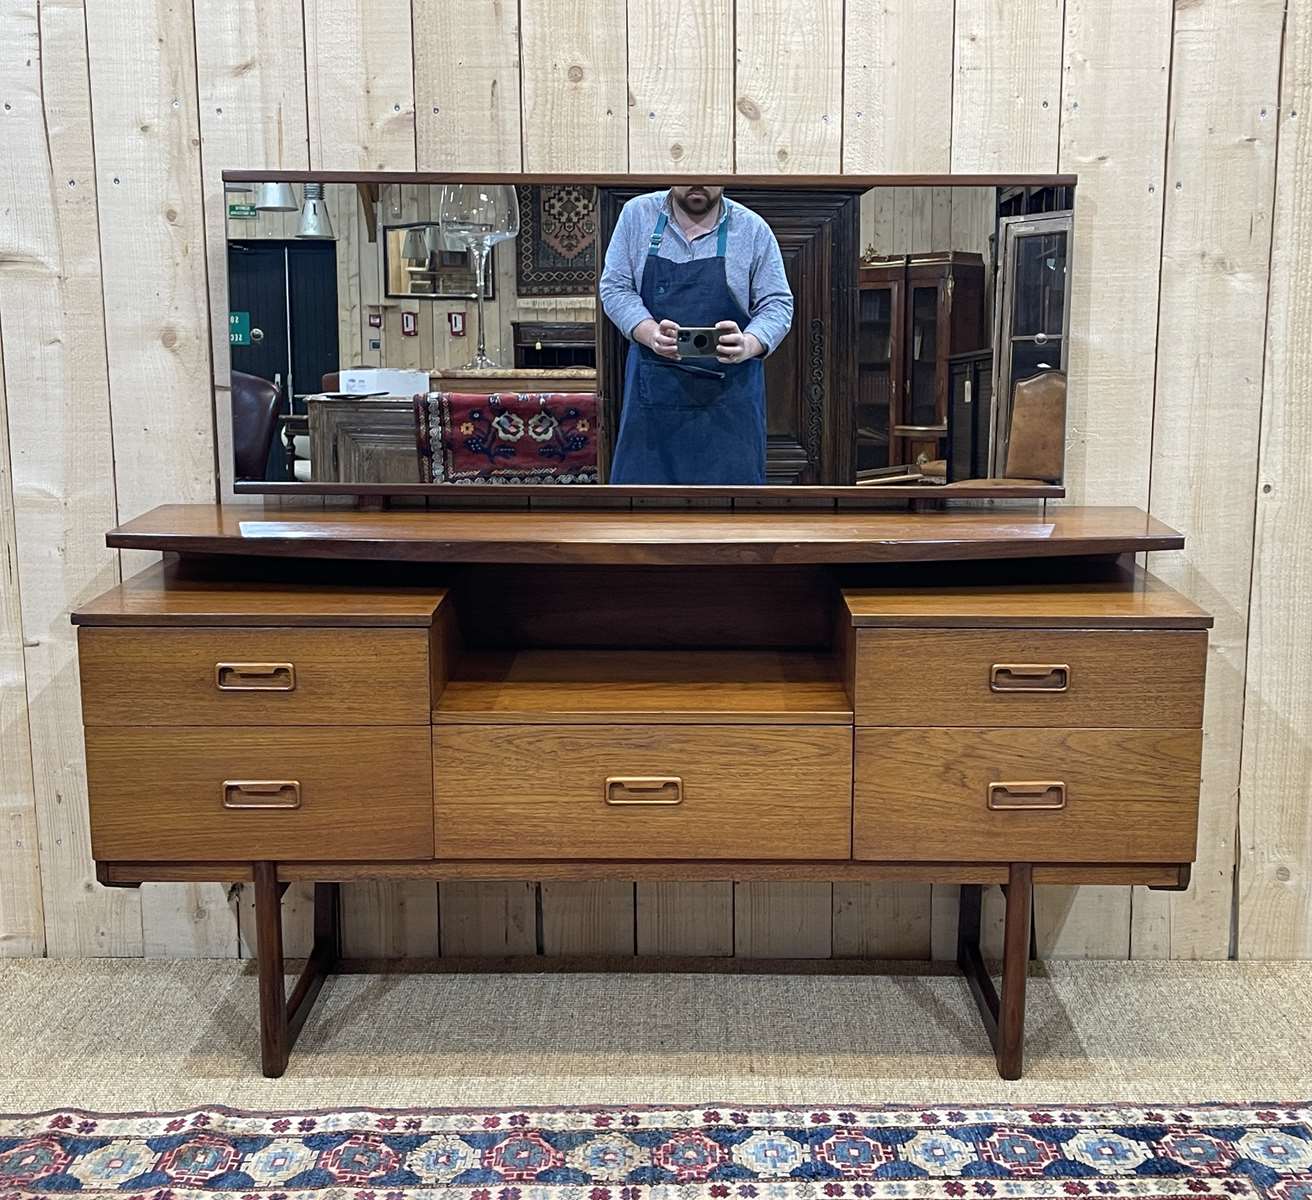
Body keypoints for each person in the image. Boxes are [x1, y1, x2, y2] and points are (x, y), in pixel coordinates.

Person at [599, 184, 794, 484]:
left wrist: (749, 343)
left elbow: (778, 303)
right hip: (653, 401)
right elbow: (614, 287)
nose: (698, 182)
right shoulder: (636, 216)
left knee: (729, 523)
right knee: (643, 522)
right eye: (688, 172)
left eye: (709, 174)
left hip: (729, 406)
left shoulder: (753, 229)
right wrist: (649, 332)